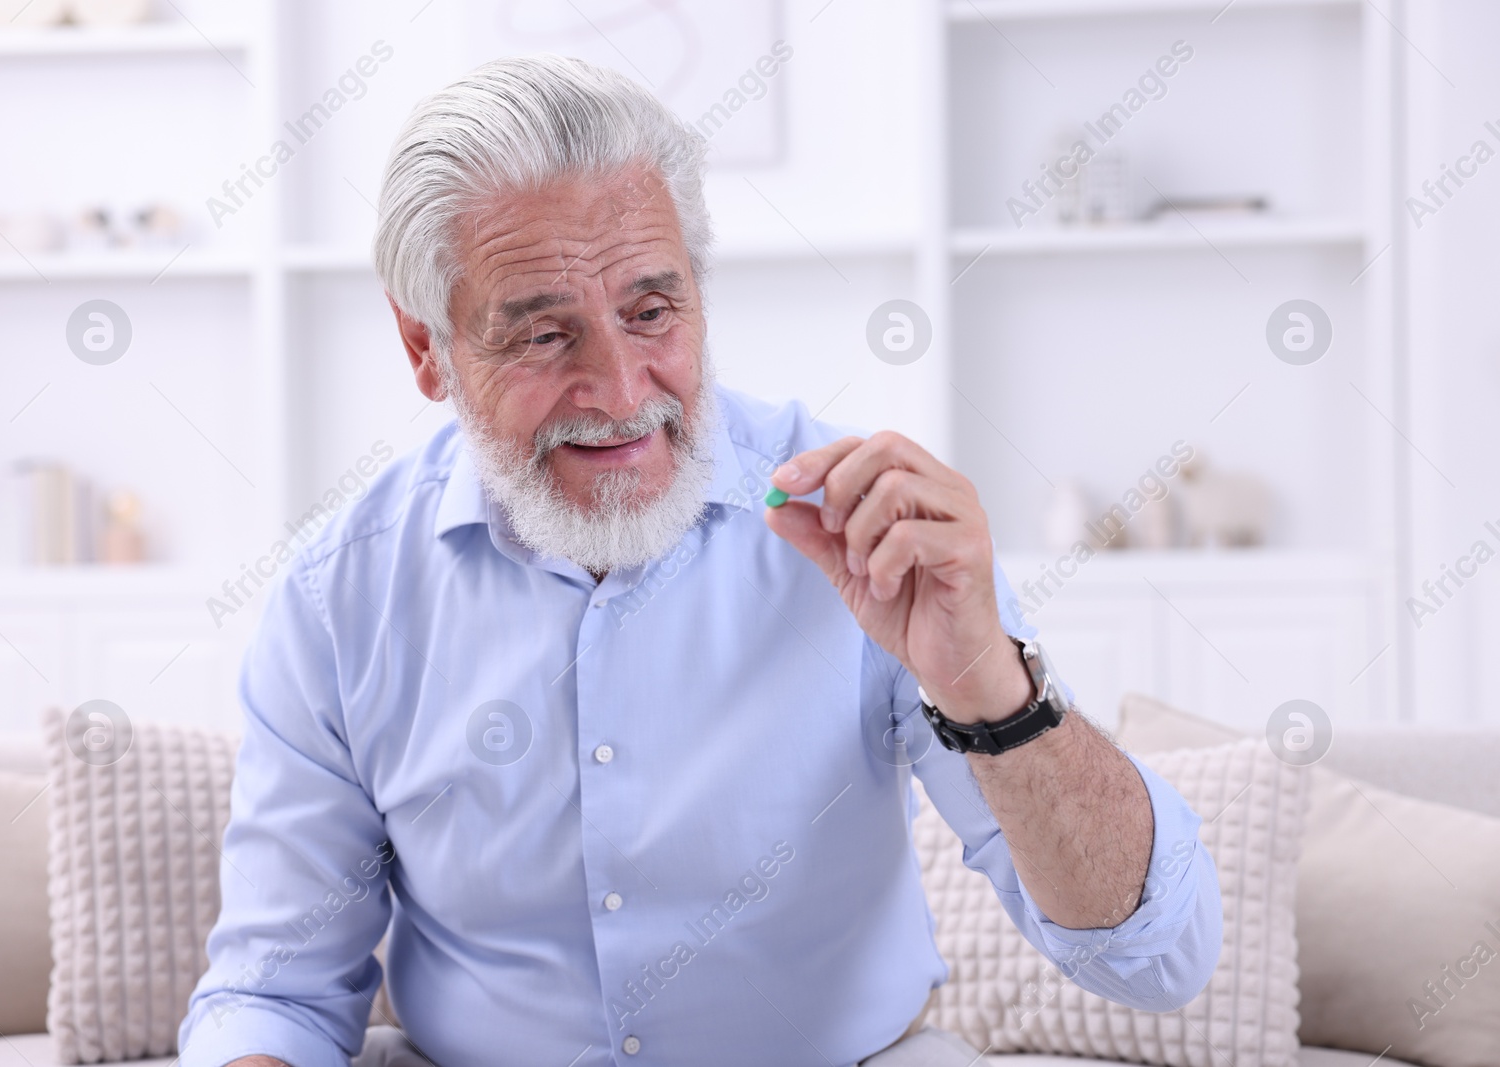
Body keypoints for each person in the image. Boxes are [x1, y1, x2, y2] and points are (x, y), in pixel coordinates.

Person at [177, 54, 1221, 1067]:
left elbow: (1155, 958)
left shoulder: (871, 533)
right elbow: (275, 989)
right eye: (544, 335)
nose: (623, 388)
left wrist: (985, 677)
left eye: (650, 311)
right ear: (425, 350)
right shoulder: (339, 596)